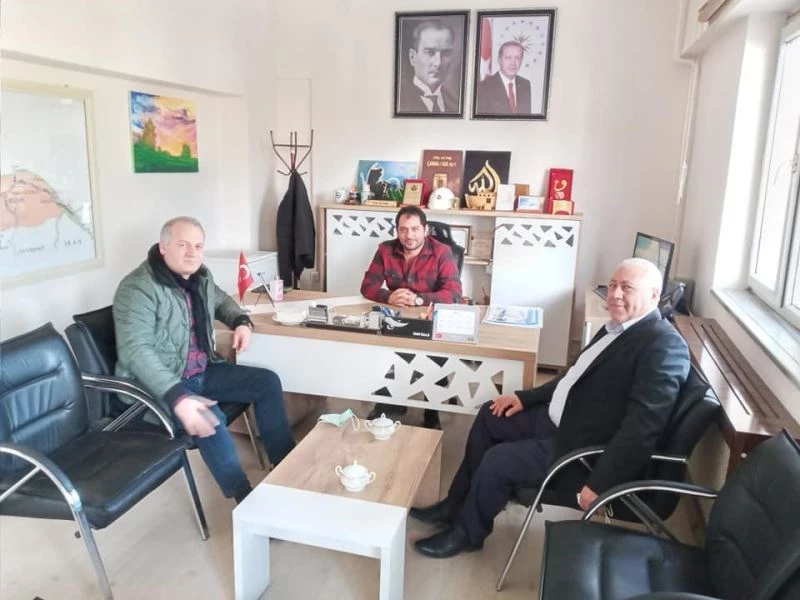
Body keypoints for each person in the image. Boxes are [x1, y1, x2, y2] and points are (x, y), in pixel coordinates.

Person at [410, 257, 690, 558]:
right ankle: (454, 506)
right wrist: (526, 398)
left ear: (654, 295)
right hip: (562, 419)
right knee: (491, 414)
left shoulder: (663, 346)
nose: (615, 294)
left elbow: (643, 428)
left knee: (498, 461)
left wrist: (600, 483)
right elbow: (573, 377)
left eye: (627, 287)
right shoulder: (616, 328)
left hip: (581, 450)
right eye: (612, 285)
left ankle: (468, 534)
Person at [113, 216, 295, 504]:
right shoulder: (138, 288)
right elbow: (135, 351)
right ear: (163, 247)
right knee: (210, 417)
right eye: (183, 245)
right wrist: (178, 396)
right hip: (159, 386)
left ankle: (286, 468)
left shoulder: (201, 276)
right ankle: (244, 497)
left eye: (198, 246)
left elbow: (221, 301)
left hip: (202, 371)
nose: (192, 253)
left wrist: (241, 321)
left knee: (266, 382)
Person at [360, 206, 463, 429]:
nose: (409, 235)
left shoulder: (442, 252)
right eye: (404, 229)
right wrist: (388, 296)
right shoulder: (385, 250)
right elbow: (367, 286)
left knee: (432, 358)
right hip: (396, 318)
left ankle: (431, 411)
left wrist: (418, 299)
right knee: (380, 349)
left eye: (415, 229)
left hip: (429, 318)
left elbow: (454, 293)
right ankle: (388, 403)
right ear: (397, 230)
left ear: (425, 230)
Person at [398, 19, 459, 114]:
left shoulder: (456, 105)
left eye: (445, 53)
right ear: (412, 57)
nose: (438, 63)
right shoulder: (398, 100)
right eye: (430, 52)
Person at [476, 41, 532, 115]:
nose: (513, 63)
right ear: (499, 60)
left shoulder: (525, 84)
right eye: (508, 57)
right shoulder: (483, 87)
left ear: (521, 61)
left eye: (517, 58)